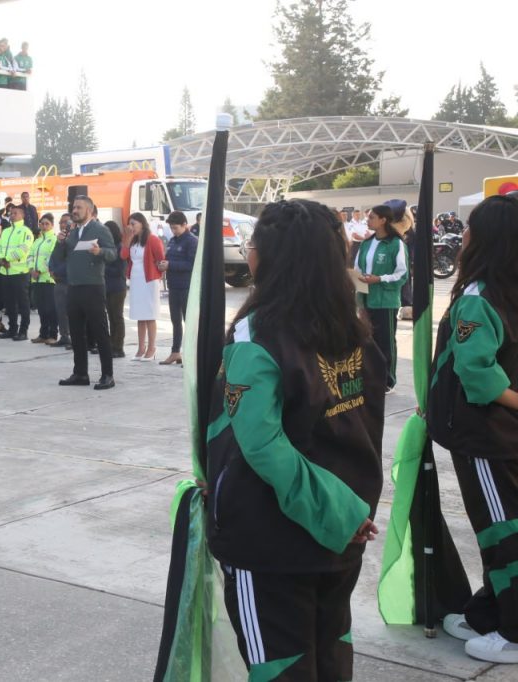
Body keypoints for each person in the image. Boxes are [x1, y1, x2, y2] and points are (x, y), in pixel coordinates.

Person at [205, 199, 384, 682]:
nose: (249, 250)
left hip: (272, 538)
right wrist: (350, 511)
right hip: (346, 527)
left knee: (280, 666)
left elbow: (261, 445)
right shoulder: (354, 327)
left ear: (270, 257)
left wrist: (337, 513)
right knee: (329, 655)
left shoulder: (257, 336)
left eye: (253, 242)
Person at [426, 195, 518, 664]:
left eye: (468, 228)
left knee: (501, 531)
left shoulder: (480, 297)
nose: (461, 235)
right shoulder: (506, 288)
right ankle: (489, 611)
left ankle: (513, 631)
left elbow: (480, 378)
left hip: (487, 438)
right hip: (502, 435)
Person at [56, 196, 117, 389]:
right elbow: (59, 258)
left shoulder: (100, 229)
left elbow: (113, 253)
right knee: (76, 332)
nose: (74, 211)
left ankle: (107, 375)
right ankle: (80, 373)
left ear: (89, 210)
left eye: (79, 208)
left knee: (100, 331)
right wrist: (60, 243)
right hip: (74, 287)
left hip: (93, 287)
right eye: (74, 207)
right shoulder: (72, 233)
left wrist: (100, 252)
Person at [354, 204, 408, 393]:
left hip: (385, 301)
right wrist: (359, 295)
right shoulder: (366, 244)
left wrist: (379, 279)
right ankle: (370, 377)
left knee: (385, 341)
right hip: (366, 299)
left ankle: (387, 380)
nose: (367, 220)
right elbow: (358, 269)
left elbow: (402, 274)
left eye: (371, 217)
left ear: (383, 220)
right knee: (368, 341)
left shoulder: (396, 244)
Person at [121, 211, 164, 362]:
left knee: (150, 315)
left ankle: (152, 347)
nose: (131, 227)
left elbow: (161, 259)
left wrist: (158, 275)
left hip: (149, 280)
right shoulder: (132, 240)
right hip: (136, 280)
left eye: (134, 224)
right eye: (129, 224)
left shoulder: (152, 239)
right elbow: (123, 255)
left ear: (142, 224)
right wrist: (127, 239)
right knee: (139, 315)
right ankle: (141, 347)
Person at [159, 211, 197, 365]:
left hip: (186, 287)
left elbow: (192, 265)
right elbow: (169, 259)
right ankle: (175, 352)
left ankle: (192, 354)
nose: (173, 231)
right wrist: (163, 265)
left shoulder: (191, 241)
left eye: (175, 228)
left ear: (184, 225)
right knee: (175, 321)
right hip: (173, 286)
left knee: (189, 321)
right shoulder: (172, 241)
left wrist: (171, 265)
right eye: (171, 228)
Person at [0, 204, 34, 341]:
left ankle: (23, 331)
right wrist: (1, 258)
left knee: (23, 304)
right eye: (11, 213)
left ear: (22, 215)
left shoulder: (26, 231)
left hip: (20, 272)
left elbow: (23, 249)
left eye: (15, 213)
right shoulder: (6, 231)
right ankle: (12, 329)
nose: (12, 215)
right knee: (9, 303)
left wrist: (7, 258)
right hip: (5, 272)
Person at [29, 213, 57, 344]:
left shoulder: (54, 240)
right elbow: (30, 256)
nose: (44, 226)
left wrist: (40, 271)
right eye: (42, 224)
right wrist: (31, 270)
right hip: (36, 279)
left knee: (51, 308)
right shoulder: (37, 241)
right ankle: (43, 334)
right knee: (41, 309)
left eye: (47, 224)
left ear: (52, 225)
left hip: (48, 279)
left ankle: (53, 334)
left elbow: (51, 258)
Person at [47, 213, 72, 349]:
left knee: (71, 312)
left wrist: (56, 271)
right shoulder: (60, 240)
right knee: (60, 311)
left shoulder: (74, 240)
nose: (63, 225)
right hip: (59, 281)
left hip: (69, 281)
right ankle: (64, 336)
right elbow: (53, 257)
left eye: (66, 222)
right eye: (61, 222)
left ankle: (74, 337)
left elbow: (70, 261)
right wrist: (51, 270)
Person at [104, 220, 127, 358]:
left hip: (117, 287)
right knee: (111, 317)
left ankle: (119, 347)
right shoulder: (108, 247)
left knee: (117, 317)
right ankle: (112, 344)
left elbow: (120, 270)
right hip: (107, 286)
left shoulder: (119, 247)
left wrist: (104, 268)